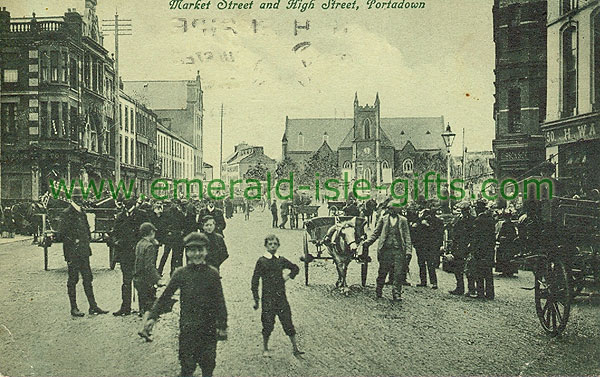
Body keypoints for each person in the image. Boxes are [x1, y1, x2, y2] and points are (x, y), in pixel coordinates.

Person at [141, 232, 228, 377]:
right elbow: (165, 297)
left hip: (208, 329)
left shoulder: (212, 274)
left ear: (206, 251)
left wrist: (222, 325)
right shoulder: (181, 274)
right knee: (187, 366)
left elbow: (220, 301)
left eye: (200, 250)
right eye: (192, 250)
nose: (197, 254)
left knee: (208, 365)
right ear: (187, 252)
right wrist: (152, 317)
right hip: (188, 328)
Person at [251, 235, 304, 357]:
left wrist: (287, 277)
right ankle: (265, 348)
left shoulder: (281, 260)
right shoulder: (261, 261)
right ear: (266, 246)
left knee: (288, 322)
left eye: (275, 244)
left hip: (281, 298)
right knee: (268, 323)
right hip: (267, 299)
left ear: (278, 245)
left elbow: (295, 268)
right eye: (270, 244)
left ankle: (295, 348)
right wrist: (256, 299)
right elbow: (255, 281)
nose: (273, 246)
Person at [60, 188, 108, 317]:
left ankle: (93, 306)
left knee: (88, 278)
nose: (81, 200)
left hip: (83, 251)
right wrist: (74, 241)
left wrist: (87, 241)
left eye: (81, 198)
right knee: (73, 279)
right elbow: (62, 234)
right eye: (79, 198)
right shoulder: (67, 213)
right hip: (73, 252)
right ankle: (74, 308)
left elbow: (86, 229)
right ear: (74, 199)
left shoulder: (82, 212)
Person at [363, 201, 412, 301]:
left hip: (398, 250)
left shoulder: (403, 220)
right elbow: (376, 233)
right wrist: (368, 242)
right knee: (382, 272)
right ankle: (379, 289)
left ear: (396, 210)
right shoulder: (383, 219)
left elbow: (407, 237)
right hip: (386, 250)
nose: (390, 210)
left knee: (398, 273)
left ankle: (396, 293)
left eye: (392, 209)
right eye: (389, 209)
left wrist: (408, 251)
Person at [466, 200, 496, 299]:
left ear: (478, 209)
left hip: (480, 249)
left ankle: (480, 293)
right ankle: (490, 294)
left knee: (479, 272)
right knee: (488, 272)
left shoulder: (478, 220)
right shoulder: (491, 219)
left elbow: (476, 237)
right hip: (489, 249)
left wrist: (473, 249)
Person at [133, 222, 161, 315]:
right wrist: (157, 279)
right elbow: (149, 266)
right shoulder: (149, 246)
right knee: (150, 299)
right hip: (146, 278)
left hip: (138, 277)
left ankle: (142, 311)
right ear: (152, 232)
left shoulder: (139, 243)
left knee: (142, 297)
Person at [413, 208, 444, 289]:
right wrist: (415, 244)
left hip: (431, 247)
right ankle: (423, 281)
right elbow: (415, 233)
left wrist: (427, 226)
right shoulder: (419, 221)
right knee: (422, 264)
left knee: (431, 264)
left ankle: (434, 282)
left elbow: (439, 235)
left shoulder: (437, 222)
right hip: (421, 246)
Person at [448, 205, 474, 295]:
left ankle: (471, 289)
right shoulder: (459, 220)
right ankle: (460, 288)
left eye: (465, 210)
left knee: (469, 270)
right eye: (463, 211)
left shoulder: (472, 220)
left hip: (468, 247)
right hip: (459, 247)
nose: (464, 212)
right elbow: (455, 234)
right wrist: (453, 248)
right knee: (457, 269)